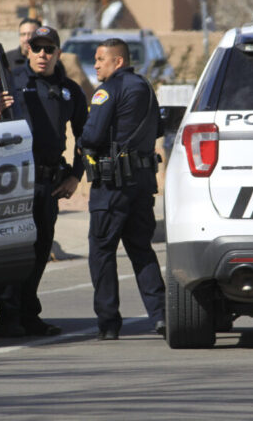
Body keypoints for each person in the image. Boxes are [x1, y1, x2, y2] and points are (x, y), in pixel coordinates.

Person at [0, 25, 88, 337]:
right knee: (14, 247)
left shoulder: (69, 90)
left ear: (57, 52)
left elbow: (86, 136)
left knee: (40, 249)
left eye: (49, 49)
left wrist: (75, 176)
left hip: (48, 181)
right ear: (28, 50)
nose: (42, 54)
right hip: (13, 180)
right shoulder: (8, 81)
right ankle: (8, 315)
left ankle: (28, 314)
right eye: (37, 48)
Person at [79, 38, 166, 341]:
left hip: (112, 186)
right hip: (142, 184)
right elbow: (158, 130)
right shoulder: (145, 88)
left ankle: (108, 322)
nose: (96, 64)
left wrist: (81, 141)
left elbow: (92, 135)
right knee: (141, 250)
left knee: (102, 252)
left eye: (101, 59)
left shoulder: (108, 90)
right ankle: (161, 316)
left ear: (118, 62)